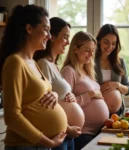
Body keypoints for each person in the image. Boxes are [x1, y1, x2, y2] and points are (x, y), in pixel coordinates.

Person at [0, 5, 68, 150]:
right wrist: (46, 142)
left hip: (38, 145)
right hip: (25, 145)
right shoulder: (15, 62)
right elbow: (12, 117)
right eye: (46, 29)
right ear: (29, 29)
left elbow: (37, 96)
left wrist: (54, 95)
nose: (49, 36)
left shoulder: (32, 62)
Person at [34, 17, 85, 150]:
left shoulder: (55, 65)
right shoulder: (43, 64)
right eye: (65, 37)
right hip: (58, 135)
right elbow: (45, 104)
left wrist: (71, 97)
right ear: (52, 37)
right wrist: (67, 128)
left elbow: (59, 95)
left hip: (67, 134)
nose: (68, 42)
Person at [61, 31, 109, 150]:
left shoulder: (88, 72)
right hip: (82, 133)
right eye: (87, 50)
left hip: (97, 131)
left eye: (92, 50)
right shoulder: (69, 71)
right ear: (75, 49)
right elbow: (66, 106)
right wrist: (90, 94)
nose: (91, 54)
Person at [95, 24, 129, 116]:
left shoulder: (120, 62)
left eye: (113, 43)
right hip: (97, 111)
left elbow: (128, 90)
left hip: (118, 114)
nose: (109, 46)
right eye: (106, 42)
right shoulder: (90, 61)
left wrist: (117, 85)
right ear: (99, 41)